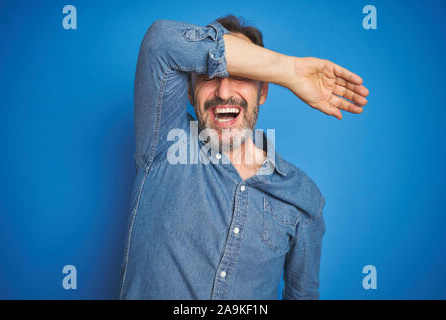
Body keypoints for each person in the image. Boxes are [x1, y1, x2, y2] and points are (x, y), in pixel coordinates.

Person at [119, 15, 369, 300]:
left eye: (240, 76)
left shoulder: (304, 198)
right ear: (189, 92)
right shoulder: (163, 144)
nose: (224, 92)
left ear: (263, 91)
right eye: (208, 77)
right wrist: (291, 70)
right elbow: (160, 42)